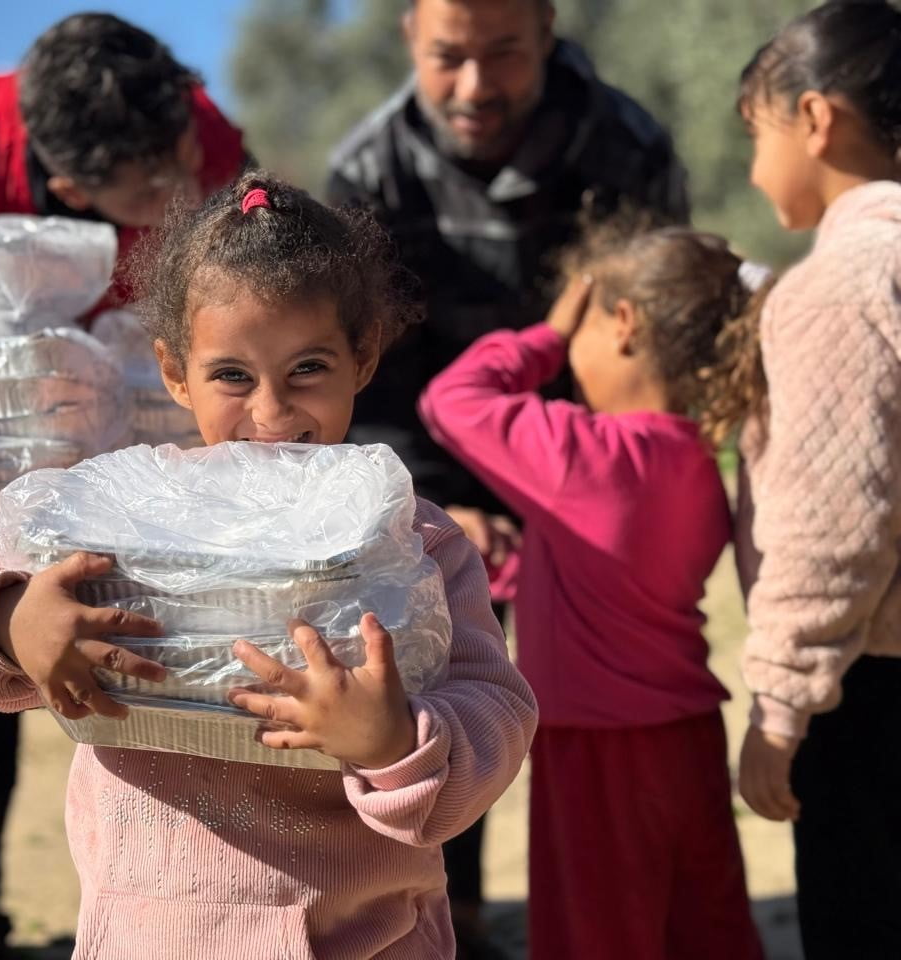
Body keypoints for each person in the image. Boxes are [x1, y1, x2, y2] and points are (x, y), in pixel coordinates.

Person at [0, 174, 539, 959]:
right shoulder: (135, 516)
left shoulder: (411, 541)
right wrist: (16, 620)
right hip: (149, 938)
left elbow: (496, 711)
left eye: (308, 368)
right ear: (174, 371)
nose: (273, 414)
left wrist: (394, 742)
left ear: (363, 357)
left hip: (365, 938)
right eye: (233, 376)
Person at [325, 0, 688, 943]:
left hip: (590, 471)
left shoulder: (628, 147)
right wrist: (437, 505)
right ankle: (452, 916)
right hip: (432, 465)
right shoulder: (369, 172)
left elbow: (659, 338)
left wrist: (596, 484)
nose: (476, 86)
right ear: (410, 36)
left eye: (505, 54)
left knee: (605, 707)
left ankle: (631, 911)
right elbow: (364, 377)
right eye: (449, 56)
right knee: (433, 675)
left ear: (549, 32)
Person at [0, 15, 249, 959]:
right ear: (70, 190)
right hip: (13, 416)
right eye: (151, 190)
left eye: (186, 157)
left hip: (152, 418)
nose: (184, 190)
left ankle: (200, 909)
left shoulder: (204, 135)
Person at [418, 223, 768, 959]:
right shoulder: (695, 458)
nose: (566, 359)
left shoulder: (587, 450)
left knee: (597, 936)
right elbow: (627, 581)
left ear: (624, 324)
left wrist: (544, 336)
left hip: (596, 749)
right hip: (688, 734)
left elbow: (452, 399)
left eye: (581, 329)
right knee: (701, 929)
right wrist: (526, 561)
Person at [726, 5, 901, 957]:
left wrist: (781, 706)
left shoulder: (836, 288)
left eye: (758, 135)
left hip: (872, 695)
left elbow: (834, 529)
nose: (756, 171)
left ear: (816, 119)